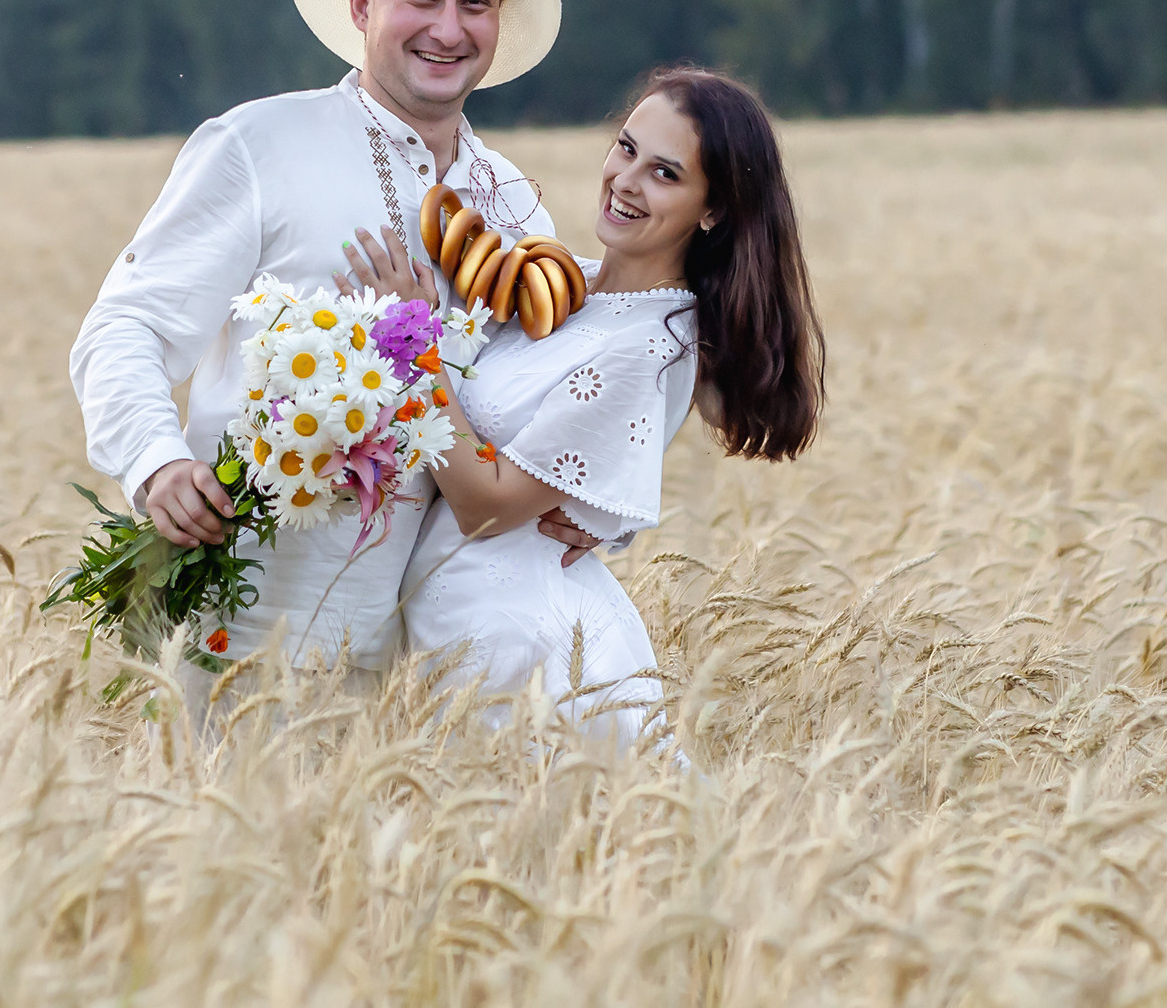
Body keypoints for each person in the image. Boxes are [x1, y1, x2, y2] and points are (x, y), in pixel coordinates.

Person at [70, 0, 600, 674]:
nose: (447, 29)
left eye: (475, 3)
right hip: (244, 616)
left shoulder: (518, 213)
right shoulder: (257, 145)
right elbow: (125, 327)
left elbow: (558, 404)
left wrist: (595, 502)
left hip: (433, 655)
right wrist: (155, 460)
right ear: (362, 5)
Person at [340, 67, 825, 745]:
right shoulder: (566, 281)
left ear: (712, 209)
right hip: (454, 634)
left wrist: (411, 339)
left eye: (665, 173)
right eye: (626, 148)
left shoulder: (650, 345)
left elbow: (486, 505)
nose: (626, 180)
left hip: (522, 658)